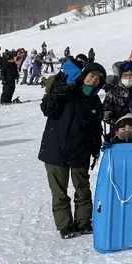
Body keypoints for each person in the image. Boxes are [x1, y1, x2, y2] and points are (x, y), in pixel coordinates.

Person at [38, 62, 107, 239]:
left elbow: (95, 129)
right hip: (55, 150)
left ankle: (83, 222)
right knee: (59, 192)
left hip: (80, 152)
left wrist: (95, 149)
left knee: (82, 189)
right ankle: (65, 225)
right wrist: (64, 89)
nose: (93, 81)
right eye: (91, 76)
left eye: (97, 80)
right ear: (84, 75)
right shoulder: (66, 91)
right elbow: (47, 109)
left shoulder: (94, 101)